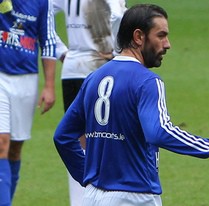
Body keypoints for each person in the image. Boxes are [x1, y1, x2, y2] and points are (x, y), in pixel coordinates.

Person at [53, 4, 209, 206]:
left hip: (92, 198)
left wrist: (88, 179)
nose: (167, 44)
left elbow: (63, 136)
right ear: (139, 37)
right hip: (133, 197)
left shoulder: (93, 79)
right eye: (161, 35)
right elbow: (159, 132)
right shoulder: (147, 82)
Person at [52, 0, 126, 205]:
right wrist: (116, 52)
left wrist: (60, 51)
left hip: (73, 68)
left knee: (77, 141)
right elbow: (119, 17)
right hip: (103, 69)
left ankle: (80, 201)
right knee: (107, 137)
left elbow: (44, 12)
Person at [0, 0, 57, 205]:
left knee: (15, 147)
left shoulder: (42, 2)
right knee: (2, 142)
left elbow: (48, 41)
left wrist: (49, 85)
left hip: (26, 80)